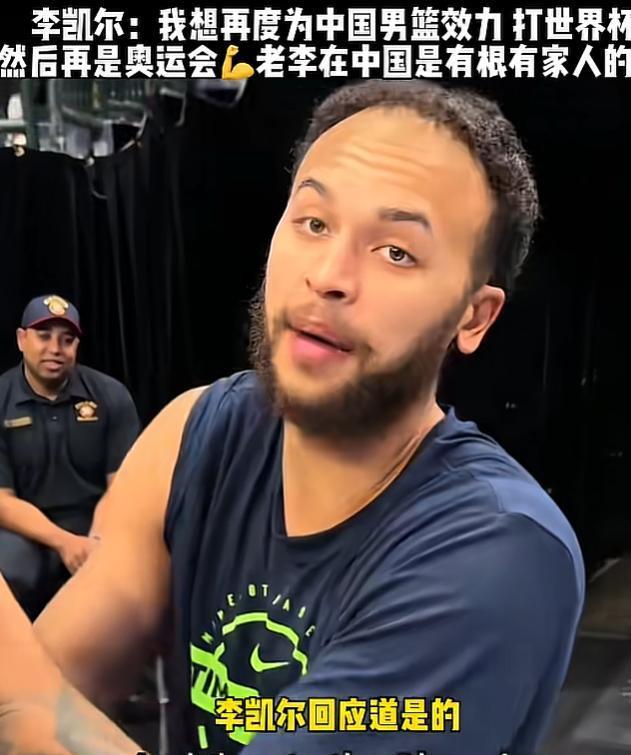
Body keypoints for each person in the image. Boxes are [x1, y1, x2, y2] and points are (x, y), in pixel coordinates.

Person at [0, 80, 585, 755]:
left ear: (472, 316)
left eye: (396, 251)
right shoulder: (198, 434)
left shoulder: (498, 554)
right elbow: (55, 688)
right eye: (314, 222)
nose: (329, 274)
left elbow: (31, 705)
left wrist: (22, 699)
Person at [0, 294, 141, 621]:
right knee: (11, 571)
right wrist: (64, 542)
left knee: (141, 572)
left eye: (67, 340)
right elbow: (3, 502)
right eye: (44, 336)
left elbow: (122, 488)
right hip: (25, 532)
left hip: (96, 525)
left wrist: (96, 540)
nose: (55, 349)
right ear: (21, 340)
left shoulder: (110, 395)